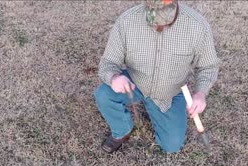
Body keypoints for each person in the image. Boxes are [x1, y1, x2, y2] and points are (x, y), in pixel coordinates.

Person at [94, 0, 219, 153]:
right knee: (103, 95)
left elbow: (208, 67)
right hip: (135, 82)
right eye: (153, 17)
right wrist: (113, 78)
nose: (159, 25)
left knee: (171, 146)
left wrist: (201, 93)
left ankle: (158, 112)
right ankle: (122, 130)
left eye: (166, 18)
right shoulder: (126, 21)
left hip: (170, 92)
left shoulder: (197, 26)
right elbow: (108, 62)